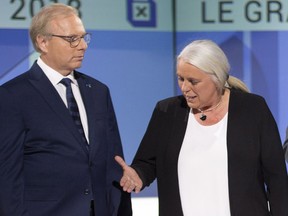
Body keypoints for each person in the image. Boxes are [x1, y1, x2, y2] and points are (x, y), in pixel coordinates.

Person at [115, 39, 288, 216]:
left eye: (193, 81)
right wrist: (138, 175)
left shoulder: (252, 109)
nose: (184, 88)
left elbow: (277, 179)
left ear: (217, 78)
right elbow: (148, 162)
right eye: (180, 79)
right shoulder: (167, 111)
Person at [0, 3, 131, 216]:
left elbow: (113, 162)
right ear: (43, 42)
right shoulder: (12, 96)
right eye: (72, 39)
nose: (82, 46)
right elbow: (6, 175)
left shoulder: (98, 91)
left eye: (83, 37)